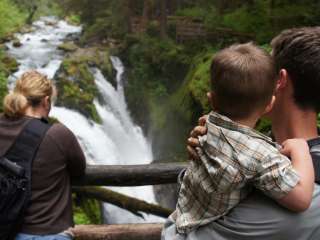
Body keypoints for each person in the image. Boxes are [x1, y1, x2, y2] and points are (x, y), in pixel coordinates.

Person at [162, 27, 320, 240]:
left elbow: (177, 236)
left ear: (280, 81)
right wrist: (213, 159)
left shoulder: (299, 198)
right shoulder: (261, 153)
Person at [0, 70, 86, 240]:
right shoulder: (58, 134)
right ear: (46, 101)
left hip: (5, 230)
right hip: (50, 232)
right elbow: (79, 170)